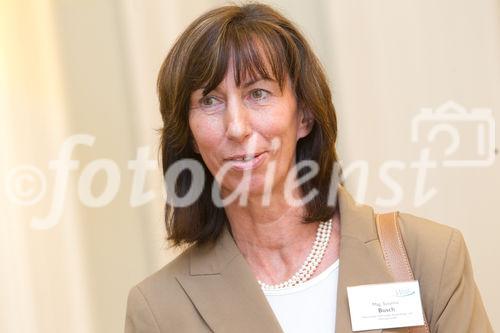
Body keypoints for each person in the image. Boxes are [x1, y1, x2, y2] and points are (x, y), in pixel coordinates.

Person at [124, 3, 492, 332]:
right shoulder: (160, 311)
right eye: (210, 101)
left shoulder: (427, 255)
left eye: (258, 93)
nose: (236, 127)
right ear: (188, 133)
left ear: (305, 115)